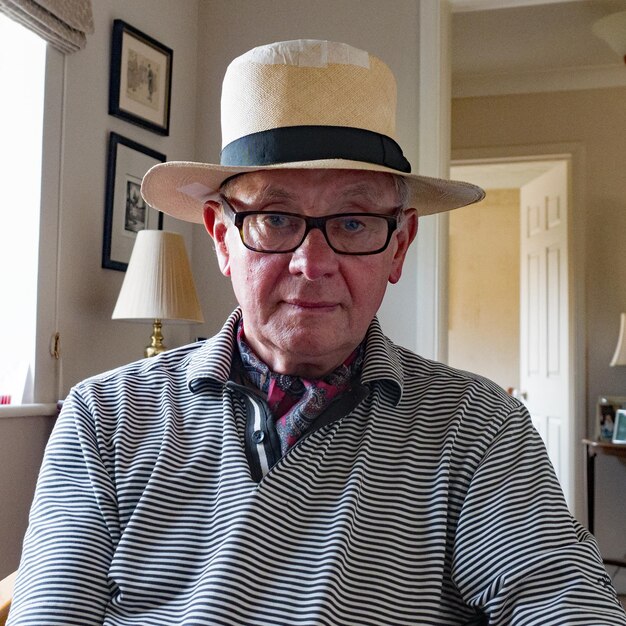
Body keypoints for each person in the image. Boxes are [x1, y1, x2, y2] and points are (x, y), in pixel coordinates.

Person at [8, 40, 626, 626]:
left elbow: (563, 600)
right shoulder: (103, 416)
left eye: (354, 222)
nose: (312, 261)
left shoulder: (477, 425)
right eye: (275, 218)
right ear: (223, 239)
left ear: (400, 246)